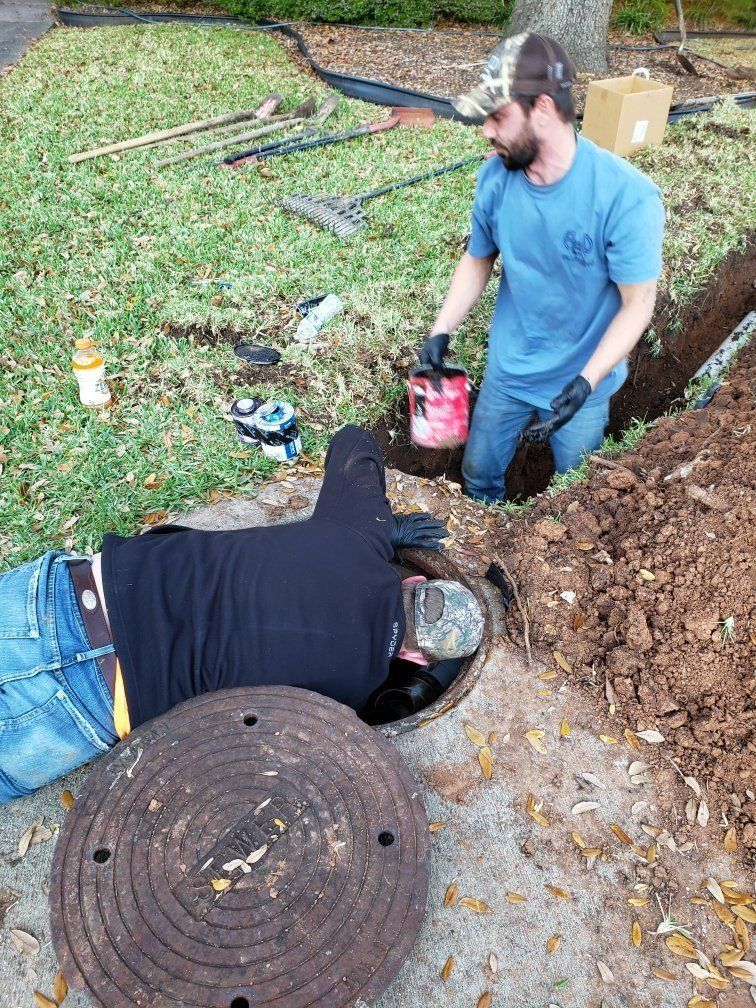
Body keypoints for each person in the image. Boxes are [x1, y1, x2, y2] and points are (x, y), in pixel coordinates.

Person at [0, 425, 484, 804]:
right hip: (92, 704)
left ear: (415, 581)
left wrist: (381, 526)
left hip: (59, 595)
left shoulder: (353, 536)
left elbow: (353, 440)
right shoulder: (347, 698)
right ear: (417, 660)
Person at [419, 32, 665, 503]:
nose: (487, 131)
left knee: (572, 497)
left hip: (581, 388)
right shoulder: (495, 178)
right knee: (477, 476)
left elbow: (638, 304)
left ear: (545, 108)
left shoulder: (625, 197)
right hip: (510, 372)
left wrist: (585, 384)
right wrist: (441, 330)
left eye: (498, 116)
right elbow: (477, 260)